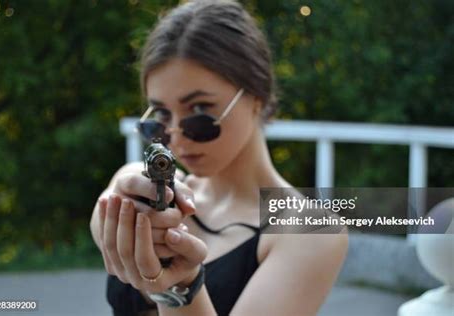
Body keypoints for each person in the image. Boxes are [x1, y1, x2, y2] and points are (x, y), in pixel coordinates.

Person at [89, 1, 348, 315]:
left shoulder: (310, 229)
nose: (177, 136)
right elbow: (106, 219)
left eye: (200, 112)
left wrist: (182, 286)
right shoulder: (141, 186)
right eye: (160, 115)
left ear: (256, 96)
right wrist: (114, 209)